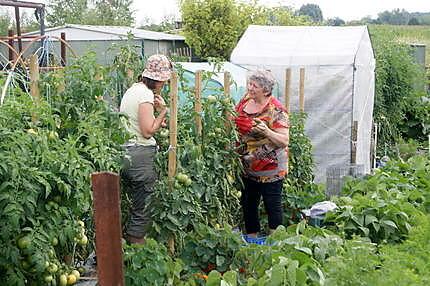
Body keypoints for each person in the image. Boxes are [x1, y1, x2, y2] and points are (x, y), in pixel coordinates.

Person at [120, 54, 172, 244]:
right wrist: (164, 111)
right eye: (163, 82)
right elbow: (148, 130)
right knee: (144, 206)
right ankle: (138, 253)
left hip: (127, 152)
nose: (163, 86)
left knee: (135, 203)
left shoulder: (133, 90)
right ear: (156, 80)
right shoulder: (145, 95)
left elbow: (140, 122)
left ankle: (129, 247)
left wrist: (158, 119)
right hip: (140, 155)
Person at [234, 70, 289, 238]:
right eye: (249, 83)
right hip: (247, 165)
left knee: (272, 206)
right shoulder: (244, 102)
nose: (250, 88)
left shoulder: (276, 110)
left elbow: (284, 140)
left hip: (270, 168)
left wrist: (267, 132)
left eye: (254, 86)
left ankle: (275, 245)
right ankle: (252, 242)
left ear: (265, 90)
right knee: (248, 204)